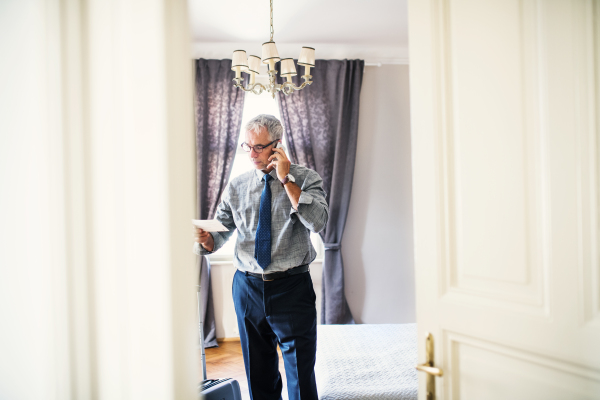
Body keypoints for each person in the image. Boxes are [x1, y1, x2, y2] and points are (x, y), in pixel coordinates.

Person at [194, 114, 328, 400]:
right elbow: (221, 231)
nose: (251, 154)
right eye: (247, 146)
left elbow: (317, 222)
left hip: (292, 288)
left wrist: (286, 180)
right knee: (258, 373)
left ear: (277, 146)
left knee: (300, 374)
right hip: (247, 288)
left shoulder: (306, 179)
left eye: (259, 147)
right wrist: (206, 240)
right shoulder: (237, 186)